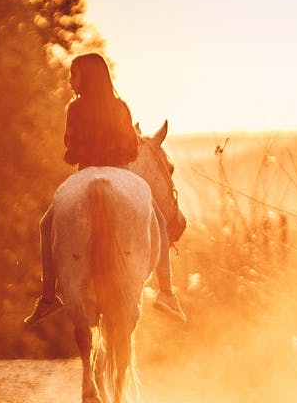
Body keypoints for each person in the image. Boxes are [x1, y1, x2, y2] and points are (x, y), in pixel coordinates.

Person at [23, 52, 185, 326]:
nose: (70, 81)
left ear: (87, 77)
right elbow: (132, 149)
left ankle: (49, 297)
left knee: (45, 224)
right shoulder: (120, 107)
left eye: (74, 75)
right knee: (157, 219)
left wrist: (80, 154)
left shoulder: (74, 109)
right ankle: (167, 293)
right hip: (121, 171)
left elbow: (71, 148)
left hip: (85, 171)